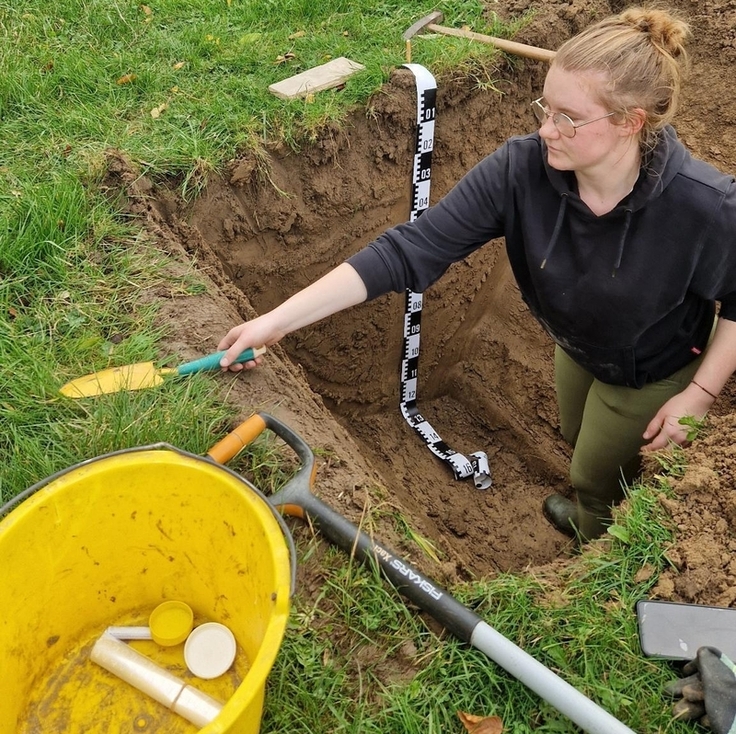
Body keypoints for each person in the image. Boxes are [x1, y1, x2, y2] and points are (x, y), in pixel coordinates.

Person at [218, 7, 736, 541]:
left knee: (592, 471)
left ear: (630, 121)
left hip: (652, 369)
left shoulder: (705, 208)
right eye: (546, 107)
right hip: (579, 345)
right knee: (576, 431)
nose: (545, 129)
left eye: (568, 118)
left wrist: (698, 395)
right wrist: (277, 322)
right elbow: (410, 250)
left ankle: (598, 533)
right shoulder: (522, 170)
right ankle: (593, 497)